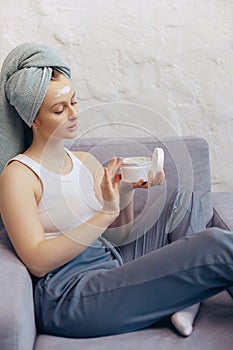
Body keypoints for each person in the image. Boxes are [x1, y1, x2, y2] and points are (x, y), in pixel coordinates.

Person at [0, 42, 232, 339]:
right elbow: (37, 260)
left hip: (109, 261)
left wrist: (123, 193)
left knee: (183, 200)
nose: (73, 113)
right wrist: (105, 212)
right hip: (69, 294)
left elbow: (117, 237)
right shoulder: (18, 175)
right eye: (59, 109)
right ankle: (186, 297)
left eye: (74, 101)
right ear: (33, 119)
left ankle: (185, 301)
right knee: (216, 245)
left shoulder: (84, 162)